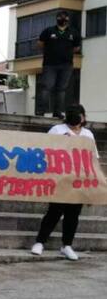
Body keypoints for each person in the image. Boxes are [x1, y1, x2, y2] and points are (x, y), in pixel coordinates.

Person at [31, 104, 96, 261]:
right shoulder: (57, 130)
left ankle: (67, 245)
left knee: (73, 214)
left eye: (78, 115)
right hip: (60, 178)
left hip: (79, 180)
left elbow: (93, 158)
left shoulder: (88, 134)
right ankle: (40, 242)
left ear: (83, 117)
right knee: (54, 211)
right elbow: (45, 150)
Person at [35, 10, 81, 118]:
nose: (63, 19)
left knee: (61, 89)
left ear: (68, 19)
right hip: (50, 64)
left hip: (66, 65)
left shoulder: (73, 32)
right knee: (47, 87)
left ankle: (57, 112)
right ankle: (41, 111)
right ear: (57, 18)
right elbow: (40, 44)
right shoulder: (48, 31)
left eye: (65, 17)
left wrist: (65, 52)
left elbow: (77, 48)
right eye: (60, 17)